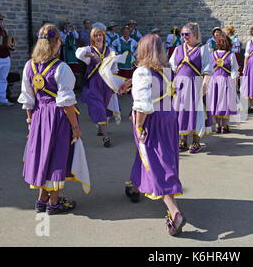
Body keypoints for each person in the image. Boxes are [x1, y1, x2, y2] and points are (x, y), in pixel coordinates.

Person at [123, 34, 186, 236]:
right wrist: (129, 83)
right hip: (168, 117)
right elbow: (156, 89)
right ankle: (134, 186)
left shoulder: (142, 72)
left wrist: (139, 126)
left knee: (157, 162)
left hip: (152, 120)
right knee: (149, 154)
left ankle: (174, 211)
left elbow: (143, 104)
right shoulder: (166, 71)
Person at [17, 23, 80, 215]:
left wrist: (30, 123)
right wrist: (76, 127)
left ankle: (41, 199)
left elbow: (27, 99)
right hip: (57, 117)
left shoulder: (29, 65)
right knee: (57, 156)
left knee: (43, 155)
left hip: (38, 116)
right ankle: (54, 202)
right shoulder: (61, 68)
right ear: (58, 42)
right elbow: (66, 103)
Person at [169, 22, 213, 153]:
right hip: (179, 86)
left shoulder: (203, 49)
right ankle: (182, 140)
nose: (184, 37)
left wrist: (204, 86)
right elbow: (171, 67)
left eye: (186, 34)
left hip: (196, 85)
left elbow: (208, 70)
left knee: (196, 112)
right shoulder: (178, 49)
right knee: (180, 111)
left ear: (194, 35)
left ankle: (195, 141)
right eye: (182, 34)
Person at [76, 27, 123, 147]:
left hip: (106, 84)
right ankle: (106, 138)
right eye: (96, 35)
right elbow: (78, 53)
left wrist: (115, 85)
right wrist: (92, 55)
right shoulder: (88, 49)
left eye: (100, 35)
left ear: (103, 36)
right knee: (98, 108)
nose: (98, 37)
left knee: (105, 108)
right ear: (92, 37)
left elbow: (114, 69)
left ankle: (100, 128)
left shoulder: (110, 50)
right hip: (94, 83)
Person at [207, 34, 239, 133]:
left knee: (216, 103)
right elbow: (234, 70)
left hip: (214, 81)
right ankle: (225, 125)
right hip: (226, 80)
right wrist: (235, 83)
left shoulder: (212, 54)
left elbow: (208, 69)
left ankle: (217, 125)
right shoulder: (231, 55)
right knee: (226, 103)